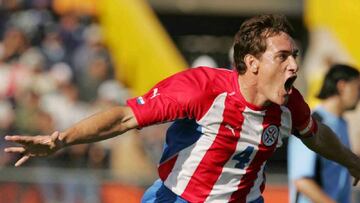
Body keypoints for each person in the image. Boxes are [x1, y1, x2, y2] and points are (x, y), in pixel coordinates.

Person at [4, 14, 360, 203]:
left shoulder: (289, 103)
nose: (294, 66)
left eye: (294, 56)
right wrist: (61, 139)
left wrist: (351, 161)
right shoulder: (202, 89)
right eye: (283, 57)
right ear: (252, 63)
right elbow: (126, 116)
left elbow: (314, 135)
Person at [288, 64, 360, 203]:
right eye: (358, 87)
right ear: (342, 86)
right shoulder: (310, 122)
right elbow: (302, 181)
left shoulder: (342, 123)